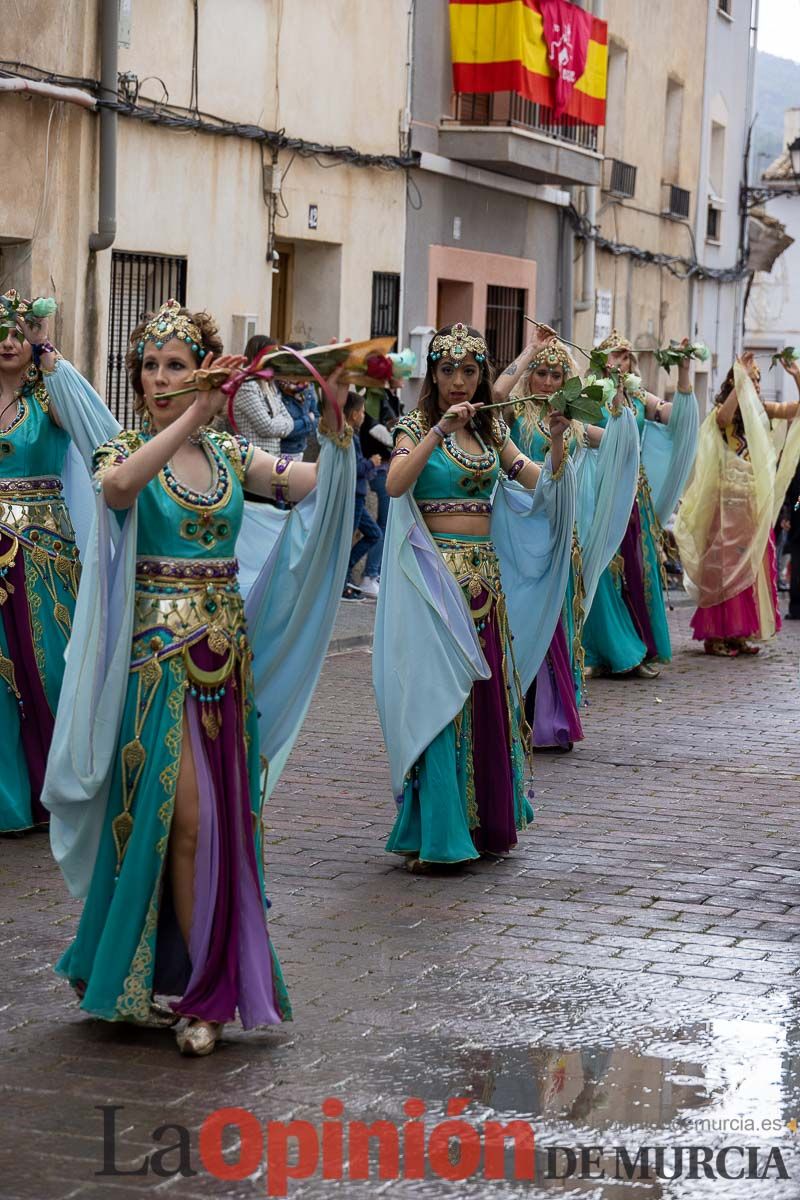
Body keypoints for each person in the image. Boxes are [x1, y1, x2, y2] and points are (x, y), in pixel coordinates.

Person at [42, 300, 355, 1055]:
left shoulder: (227, 456)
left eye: (175, 365)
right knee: (183, 824)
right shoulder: (123, 448)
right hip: (153, 675)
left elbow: (309, 484)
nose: (159, 377)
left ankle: (198, 987)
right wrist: (193, 416)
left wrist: (342, 433)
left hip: (223, 672)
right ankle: (203, 993)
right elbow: (119, 492)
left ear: (201, 368)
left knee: (220, 826)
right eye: (149, 366)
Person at [373, 322, 576, 871]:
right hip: (434, 587)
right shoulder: (414, 426)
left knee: (481, 702)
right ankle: (437, 831)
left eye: (468, 371)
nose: (459, 382)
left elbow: (538, 482)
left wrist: (557, 439)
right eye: (447, 371)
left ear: (482, 376)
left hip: (484, 587)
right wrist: (437, 431)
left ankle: (481, 821)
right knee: (439, 700)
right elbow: (395, 485)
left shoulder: (492, 430)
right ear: (432, 377)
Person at [0, 290, 119, 834]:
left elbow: (104, 434)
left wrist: (55, 359)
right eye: (0, 332)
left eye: (18, 333)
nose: (7, 342)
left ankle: (60, 791)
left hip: (44, 557)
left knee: (51, 670)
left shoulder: (50, 397)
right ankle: (9, 804)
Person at [493, 331, 639, 750]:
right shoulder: (515, 414)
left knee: (559, 624)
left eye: (556, 374)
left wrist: (617, 398)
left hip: (562, 537)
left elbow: (617, 444)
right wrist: (530, 350)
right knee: (520, 620)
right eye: (542, 373)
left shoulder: (574, 425)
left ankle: (550, 720)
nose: (548, 382)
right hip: (521, 537)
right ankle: (513, 711)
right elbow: (498, 388)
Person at [581, 330, 698, 679]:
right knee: (604, 571)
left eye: (626, 356)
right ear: (601, 362)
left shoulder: (636, 395)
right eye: (614, 355)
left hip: (636, 497)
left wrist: (683, 371)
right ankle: (611, 651)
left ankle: (640, 645)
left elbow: (674, 417)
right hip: (602, 491)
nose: (620, 361)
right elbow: (582, 433)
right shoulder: (588, 395)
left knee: (640, 571)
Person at [675, 352, 800, 656]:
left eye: (758, 380)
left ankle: (738, 633)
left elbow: (796, 409)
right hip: (726, 511)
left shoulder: (763, 413)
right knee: (723, 569)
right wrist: (740, 382)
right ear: (735, 384)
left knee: (750, 571)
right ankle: (717, 634)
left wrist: (797, 375)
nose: (757, 385)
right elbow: (722, 418)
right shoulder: (725, 414)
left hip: (752, 511)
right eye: (752, 379)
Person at [220, 334, 293, 456]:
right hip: (253, 458)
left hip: (272, 457)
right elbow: (266, 427)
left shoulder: (268, 385)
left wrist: (279, 423)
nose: (275, 362)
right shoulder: (246, 385)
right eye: (272, 356)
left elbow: (291, 421)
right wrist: (282, 423)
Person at [342, 391, 383, 601]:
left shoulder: (353, 436)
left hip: (359, 495)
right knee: (346, 537)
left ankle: (345, 571)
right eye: (362, 412)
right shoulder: (348, 437)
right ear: (354, 413)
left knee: (374, 533)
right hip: (354, 496)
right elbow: (354, 467)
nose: (364, 416)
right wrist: (372, 463)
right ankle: (343, 580)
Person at [358, 388, 399, 596]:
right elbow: (385, 436)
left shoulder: (387, 396)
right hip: (378, 471)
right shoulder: (374, 397)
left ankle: (376, 573)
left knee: (384, 524)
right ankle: (370, 574)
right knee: (382, 525)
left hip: (384, 469)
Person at [278, 344, 320, 461]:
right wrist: (308, 420)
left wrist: (304, 423)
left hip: (301, 450)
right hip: (280, 451)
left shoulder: (307, 386)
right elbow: (283, 429)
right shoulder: (277, 388)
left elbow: (317, 418)